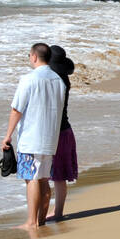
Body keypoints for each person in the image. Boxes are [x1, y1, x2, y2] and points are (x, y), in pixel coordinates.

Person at [2, 43, 67, 230]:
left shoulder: (29, 79)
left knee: (31, 178)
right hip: (50, 137)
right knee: (44, 179)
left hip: (32, 137)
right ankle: (41, 219)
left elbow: (16, 110)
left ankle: (31, 222)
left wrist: (7, 136)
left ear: (34, 57)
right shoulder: (58, 80)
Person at [47, 45, 78, 222]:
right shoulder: (64, 80)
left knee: (54, 176)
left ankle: (57, 212)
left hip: (57, 133)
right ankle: (57, 210)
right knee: (59, 176)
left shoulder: (55, 82)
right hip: (65, 131)